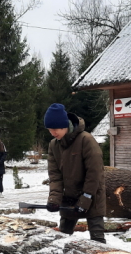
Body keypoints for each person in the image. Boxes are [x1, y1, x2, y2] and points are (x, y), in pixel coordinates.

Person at [44, 103, 106, 244]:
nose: (53, 133)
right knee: (63, 239)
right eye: (49, 130)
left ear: (64, 125)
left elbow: (95, 173)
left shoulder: (86, 140)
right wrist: (54, 199)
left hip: (92, 194)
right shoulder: (54, 145)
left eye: (55, 129)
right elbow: (55, 176)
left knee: (98, 241)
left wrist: (86, 198)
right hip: (69, 196)